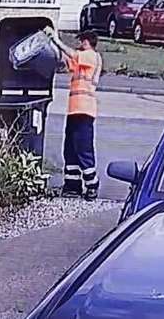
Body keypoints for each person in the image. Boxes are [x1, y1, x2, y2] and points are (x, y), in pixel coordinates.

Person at [43, 27, 102, 201]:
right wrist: (51, 43)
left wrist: (56, 40)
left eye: (81, 41)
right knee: (70, 148)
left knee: (83, 148)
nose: (79, 44)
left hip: (85, 110)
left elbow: (72, 54)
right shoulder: (82, 60)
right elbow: (67, 59)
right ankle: (72, 185)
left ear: (86, 41)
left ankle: (92, 185)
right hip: (75, 110)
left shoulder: (91, 56)